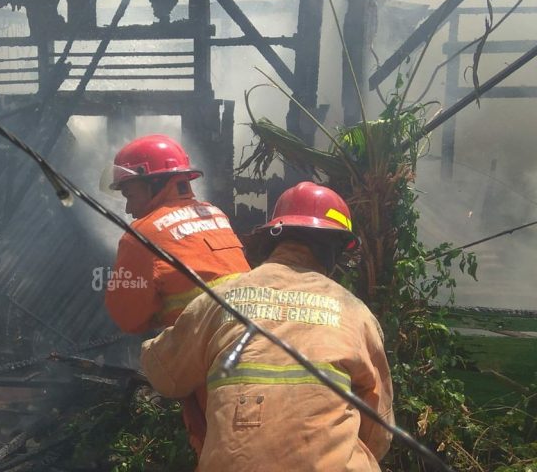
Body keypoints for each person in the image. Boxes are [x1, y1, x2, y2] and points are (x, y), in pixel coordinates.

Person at [140, 181, 394, 471]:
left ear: (275, 237)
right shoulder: (355, 313)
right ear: (334, 249)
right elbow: (378, 429)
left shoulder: (222, 298)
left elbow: (164, 375)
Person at [103, 133, 250, 458]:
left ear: (153, 182)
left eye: (129, 193)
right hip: (259, 346)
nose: (127, 208)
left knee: (224, 451)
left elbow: (128, 317)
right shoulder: (214, 215)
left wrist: (156, 311)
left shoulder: (142, 235)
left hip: (212, 361)